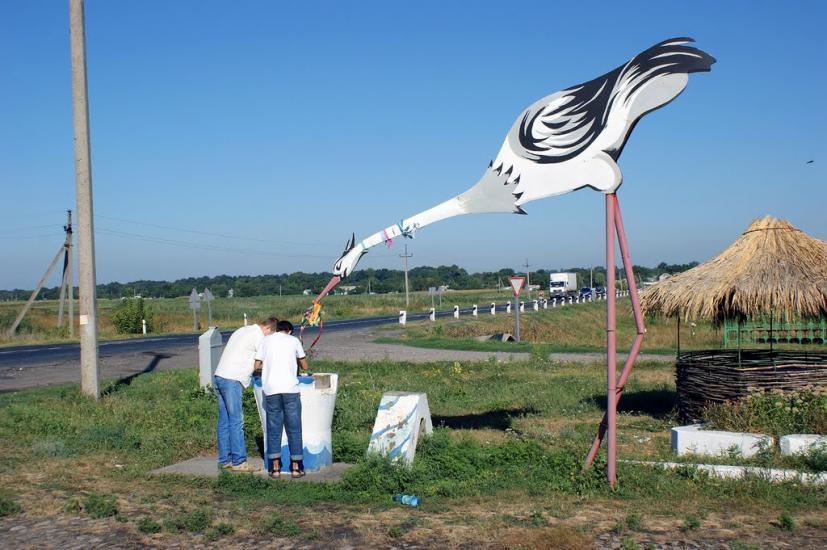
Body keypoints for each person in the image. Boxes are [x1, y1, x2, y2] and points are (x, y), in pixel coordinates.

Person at [214, 316, 278, 472]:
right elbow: (262, 361)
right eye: (271, 335)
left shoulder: (243, 329)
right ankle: (239, 461)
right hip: (233, 379)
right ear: (268, 329)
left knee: (224, 421)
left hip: (220, 375)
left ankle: (225, 460)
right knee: (237, 421)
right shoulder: (259, 337)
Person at [254, 320, 308, 478]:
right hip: (290, 390)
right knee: (294, 429)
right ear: (290, 331)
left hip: (271, 390)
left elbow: (257, 365)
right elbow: (305, 366)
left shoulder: (265, 340)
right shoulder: (294, 340)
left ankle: (275, 468)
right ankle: (296, 468)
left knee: (273, 429)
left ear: (276, 330)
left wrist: (270, 367)